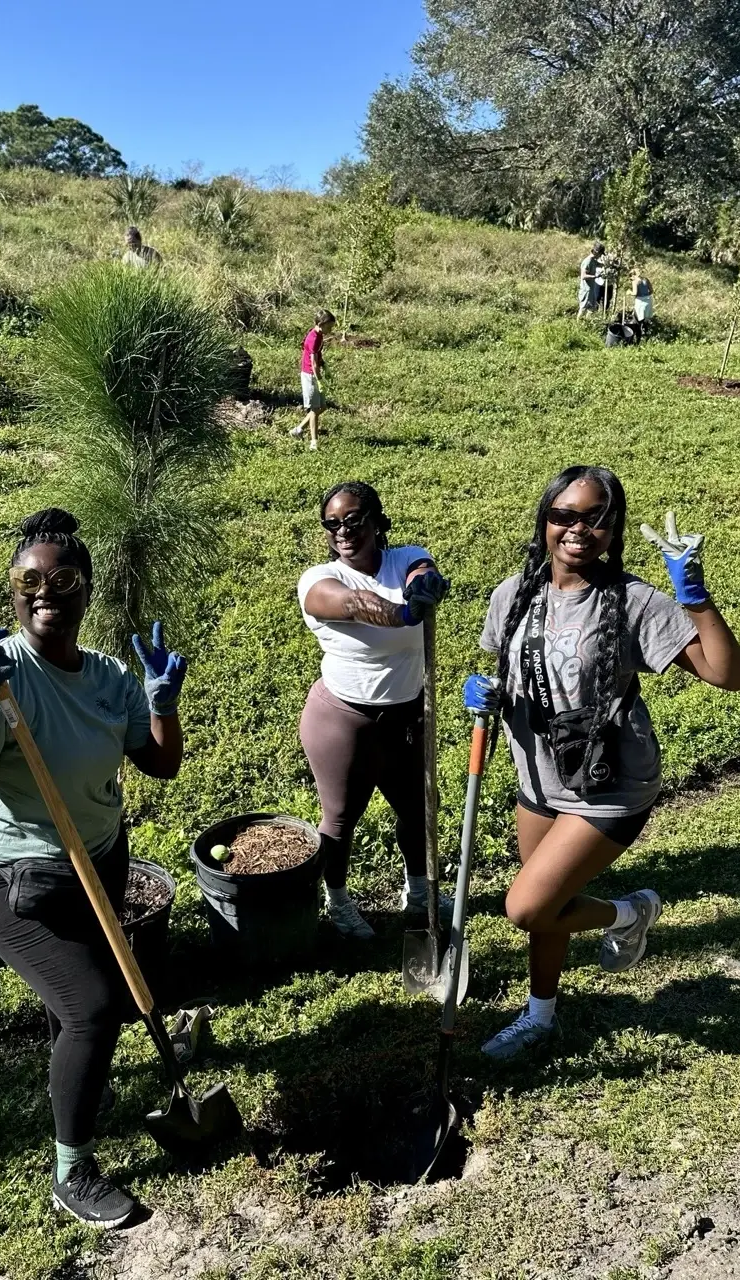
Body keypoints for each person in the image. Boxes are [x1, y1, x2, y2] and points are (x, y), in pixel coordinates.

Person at [0, 509, 187, 1228]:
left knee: (70, 1007)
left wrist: (161, 705)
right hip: (16, 880)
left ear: (86, 591)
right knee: (93, 1006)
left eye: (63, 579)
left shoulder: (107, 676)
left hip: (99, 858)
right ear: (14, 590)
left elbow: (160, 763)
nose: (45, 591)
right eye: (29, 579)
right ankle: (72, 1171)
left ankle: (75, 1080)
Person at [464, 466, 740, 1061]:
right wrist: (488, 692)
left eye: (596, 519)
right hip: (539, 775)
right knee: (550, 908)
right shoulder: (512, 594)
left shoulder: (635, 601)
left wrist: (694, 597)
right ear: (545, 520)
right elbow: (516, 670)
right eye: (564, 515)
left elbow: (728, 676)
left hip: (610, 782)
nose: (578, 529)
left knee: (526, 906)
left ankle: (627, 914)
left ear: (614, 530)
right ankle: (540, 1016)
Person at [297, 482, 450, 939]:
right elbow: (352, 604)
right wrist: (405, 614)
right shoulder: (319, 580)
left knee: (418, 808)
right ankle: (339, 901)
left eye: (353, 520)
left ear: (377, 522)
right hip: (344, 721)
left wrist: (424, 584)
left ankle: (418, 890)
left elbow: (420, 570)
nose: (342, 531)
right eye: (332, 524)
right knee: (341, 819)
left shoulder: (406, 557)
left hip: (407, 716)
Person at [289, 309, 335, 451]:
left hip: (314, 373)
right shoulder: (314, 338)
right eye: (329, 327)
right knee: (315, 409)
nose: (331, 330)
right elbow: (313, 364)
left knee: (322, 407)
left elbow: (317, 356)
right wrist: (319, 380)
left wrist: (324, 365)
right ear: (321, 324)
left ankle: (298, 430)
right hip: (310, 375)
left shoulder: (319, 335)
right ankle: (314, 442)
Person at [578, 242, 605, 318]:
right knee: (583, 309)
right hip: (586, 290)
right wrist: (595, 276)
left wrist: (610, 265)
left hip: (591, 289)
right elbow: (583, 276)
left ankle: (587, 323)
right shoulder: (588, 261)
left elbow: (600, 264)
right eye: (600, 254)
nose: (601, 256)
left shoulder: (593, 260)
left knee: (591, 309)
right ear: (597, 252)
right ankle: (578, 323)